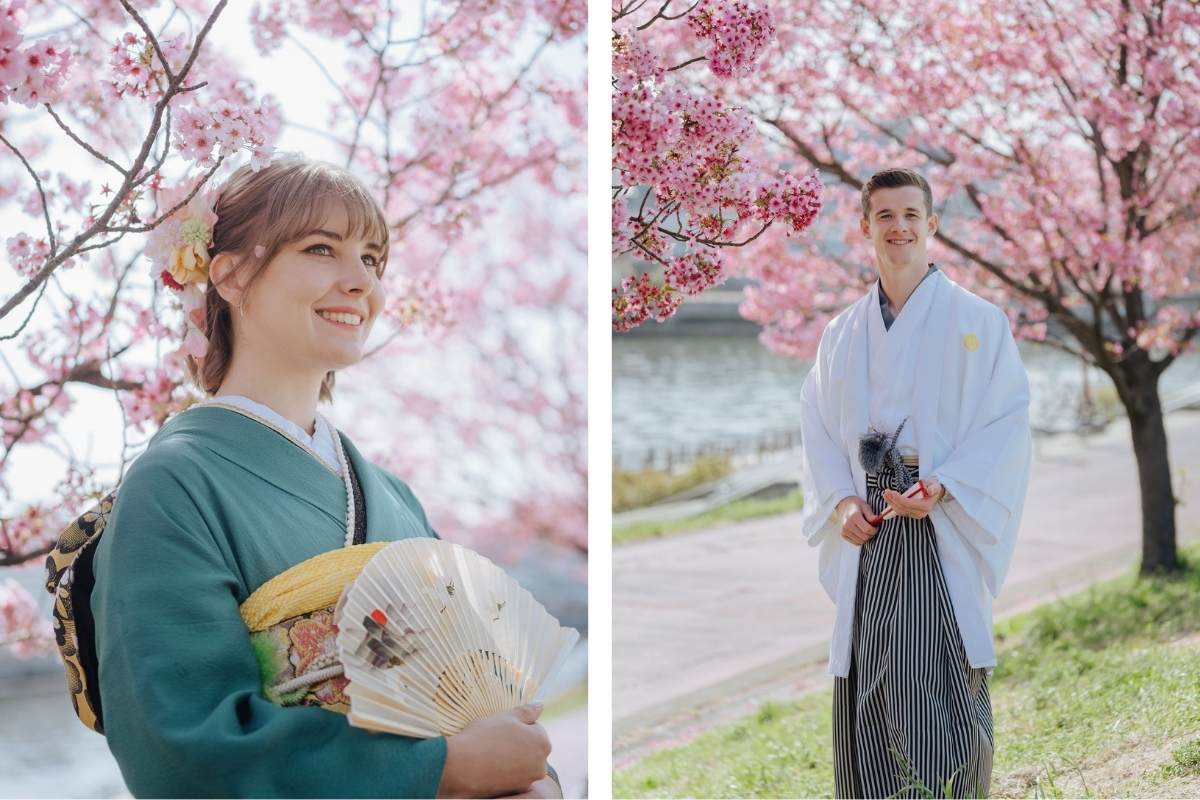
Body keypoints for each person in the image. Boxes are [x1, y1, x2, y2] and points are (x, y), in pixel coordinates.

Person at [89, 155, 562, 798]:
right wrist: (439, 771)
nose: (360, 281)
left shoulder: (392, 496)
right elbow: (183, 749)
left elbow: (483, 694)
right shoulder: (174, 488)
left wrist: (538, 778)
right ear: (228, 276)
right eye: (321, 249)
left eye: (372, 259)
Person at [799, 167, 1032, 798]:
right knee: (870, 670)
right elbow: (816, 427)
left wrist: (946, 486)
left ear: (931, 225)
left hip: (937, 515)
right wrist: (841, 500)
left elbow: (1006, 421)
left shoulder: (980, 321)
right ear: (865, 228)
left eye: (910, 215)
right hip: (871, 526)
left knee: (943, 670)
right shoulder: (840, 333)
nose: (897, 228)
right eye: (884, 217)